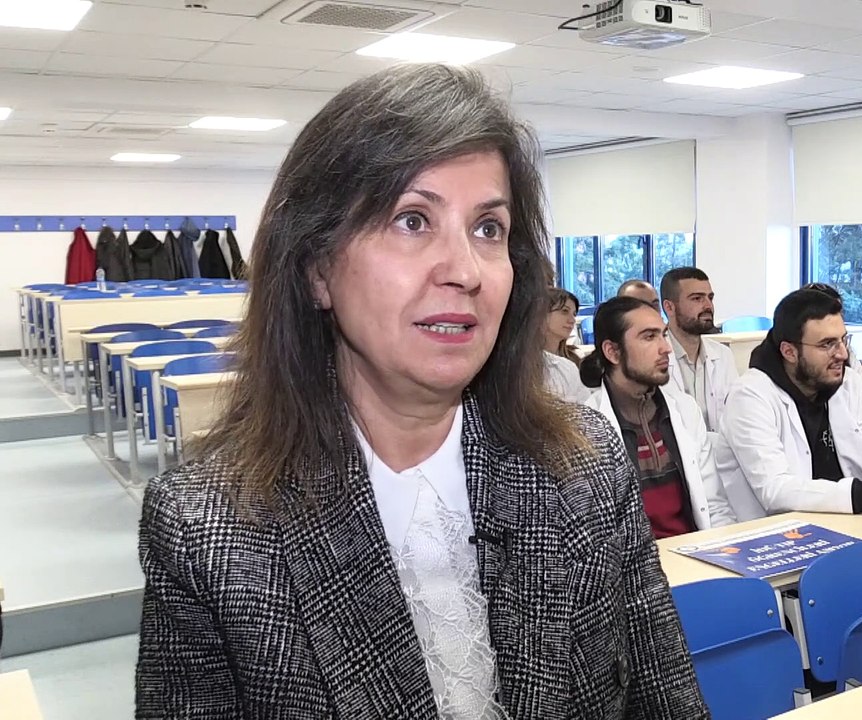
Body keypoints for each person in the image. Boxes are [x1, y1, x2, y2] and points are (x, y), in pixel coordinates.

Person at [135, 64, 709, 718]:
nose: (465, 270)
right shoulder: (205, 529)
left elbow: (666, 697)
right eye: (412, 220)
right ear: (318, 268)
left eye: (488, 229)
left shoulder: (588, 463)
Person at [717, 288, 862, 521]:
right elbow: (776, 491)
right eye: (827, 344)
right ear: (789, 351)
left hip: (847, 523)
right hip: (776, 532)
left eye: (842, 340)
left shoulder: (848, 382)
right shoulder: (750, 395)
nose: (842, 354)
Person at [580, 297, 735, 536]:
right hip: (636, 558)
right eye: (649, 337)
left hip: (693, 549)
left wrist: (729, 548)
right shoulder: (584, 428)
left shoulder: (684, 409)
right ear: (613, 352)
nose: (666, 348)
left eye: (663, 334)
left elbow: (714, 506)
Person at [660, 267, 738, 432]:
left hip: (719, 447)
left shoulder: (723, 355)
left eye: (710, 298)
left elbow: (736, 416)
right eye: (697, 298)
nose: (708, 306)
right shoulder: (656, 358)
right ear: (669, 307)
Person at [543, 287, 589, 403]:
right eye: (564, 311)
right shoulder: (525, 363)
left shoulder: (574, 360)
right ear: (542, 315)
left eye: (574, 314)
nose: (572, 320)